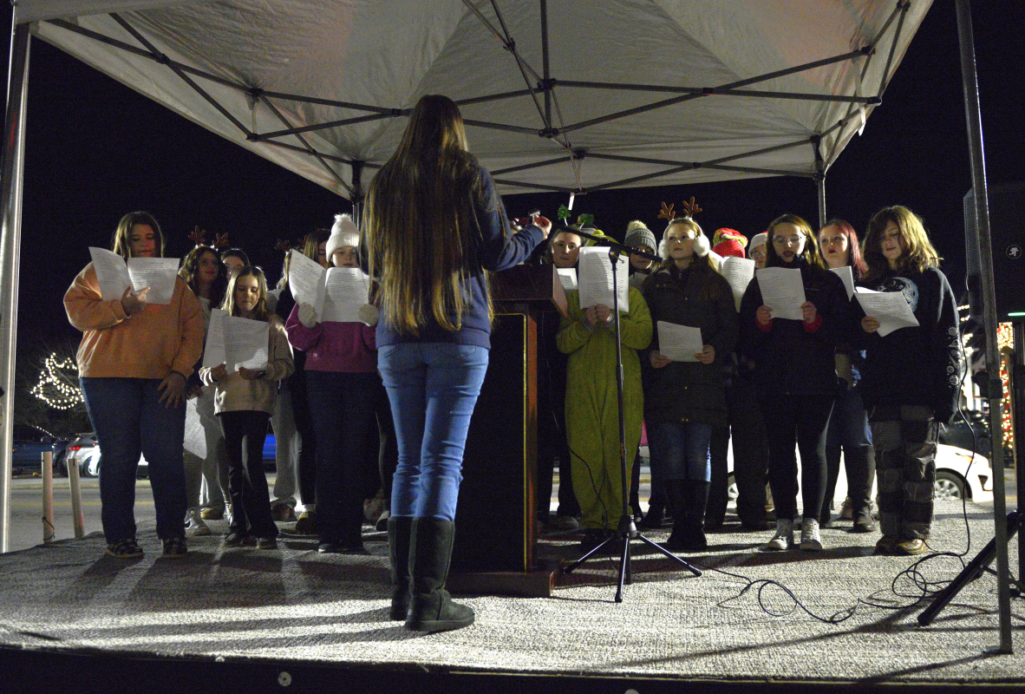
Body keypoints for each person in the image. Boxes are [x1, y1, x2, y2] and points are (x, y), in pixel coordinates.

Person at [363, 94, 548, 633]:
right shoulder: (468, 174)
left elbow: (372, 259)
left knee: (407, 462)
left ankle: (402, 592)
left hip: (397, 332)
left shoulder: (384, 182)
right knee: (442, 462)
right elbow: (497, 254)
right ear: (455, 129)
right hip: (457, 328)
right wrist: (533, 234)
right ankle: (430, 599)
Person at [64, 211, 204, 558]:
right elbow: (76, 310)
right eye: (136, 238)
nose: (144, 244)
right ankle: (120, 537)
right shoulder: (99, 272)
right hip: (106, 376)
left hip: (162, 380)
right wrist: (122, 306)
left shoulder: (176, 283)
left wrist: (180, 372)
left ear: (159, 240)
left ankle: (173, 535)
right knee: (119, 457)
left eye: (150, 237)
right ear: (123, 242)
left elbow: (193, 331)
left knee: (166, 456)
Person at [855, 205, 962, 556]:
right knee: (887, 464)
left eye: (895, 234)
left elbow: (948, 337)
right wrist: (863, 326)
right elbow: (852, 338)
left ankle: (914, 531)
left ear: (910, 235)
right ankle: (889, 531)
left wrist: (948, 394)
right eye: (882, 236)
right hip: (882, 387)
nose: (888, 242)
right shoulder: (869, 283)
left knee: (918, 465)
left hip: (921, 387)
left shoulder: (932, 279)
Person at [739, 214, 849, 551]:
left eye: (794, 238)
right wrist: (760, 323)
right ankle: (784, 524)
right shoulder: (759, 283)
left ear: (806, 240)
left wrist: (816, 322)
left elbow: (844, 332)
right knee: (780, 453)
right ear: (770, 243)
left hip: (816, 379)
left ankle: (812, 523)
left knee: (813, 451)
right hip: (773, 380)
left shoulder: (826, 281)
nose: (787, 245)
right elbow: (744, 340)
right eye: (779, 239)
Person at [287, 214, 382, 553]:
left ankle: (351, 534)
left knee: (353, 453)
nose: (347, 258)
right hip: (323, 377)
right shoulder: (317, 284)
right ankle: (328, 534)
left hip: (360, 376)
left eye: (353, 252)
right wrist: (308, 323)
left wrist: (373, 324)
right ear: (330, 255)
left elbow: (379, 344)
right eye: (341, 252)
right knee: (327, 453)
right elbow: (298, 339)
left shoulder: (372, 285)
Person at [643, 215, 737, 551]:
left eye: (684, 236)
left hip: (702, 380)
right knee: (671, 453)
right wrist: (650, 354)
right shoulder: (653, 284)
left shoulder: (715, 282)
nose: (677, 243)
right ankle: (678, 525)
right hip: (667, 380)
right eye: (671, 238)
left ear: (698, 242)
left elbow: (730, 327)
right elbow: (644, 328)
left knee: (698, 453)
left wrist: (716, 349)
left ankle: (694, 525)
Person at [558, 219, 652, 553]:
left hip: (622, 387)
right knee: (586, 454)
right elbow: (562, 343)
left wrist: (613, 322)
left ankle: (618, 520)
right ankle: (594, 523)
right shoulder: (572, 299)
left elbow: (643, 338)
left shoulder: (633, 297)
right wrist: (585, 324)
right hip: (582, 389)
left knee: (618, 454)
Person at [200, 267, 294, 549]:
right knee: (234, 468)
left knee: (250, 462)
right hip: (227, 403)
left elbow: (287, 365)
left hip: (257, 401)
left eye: (254, 290)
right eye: (242, 289)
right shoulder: (222, 322)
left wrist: (263, 371)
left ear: (261, 292)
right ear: (233, 291)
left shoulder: (272, 323)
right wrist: (212, 374)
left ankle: (264, 528)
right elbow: (205, 370)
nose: (248, 295)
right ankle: (239, 527)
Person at [817, 219, 877, 533]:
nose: (830, 245)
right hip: (822, 367)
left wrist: (865, 324)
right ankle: (821, 508)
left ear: (850, 243)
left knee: (857, 438)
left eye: (837, 239)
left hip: (856, 366)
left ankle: (861, 508)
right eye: (824, 240)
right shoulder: (814, 281)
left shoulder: (866, 279)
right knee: (826, 441)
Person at [268, 228, 330, 532]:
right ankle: (310, 506)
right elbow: (283, 323)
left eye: (329, 252)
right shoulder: (294, 289)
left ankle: (339, 502)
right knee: (308, 438)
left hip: (344, 368)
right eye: (319, 253)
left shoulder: (350, 280)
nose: (326, 258)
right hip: (305, 373)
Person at [177, 244, 230, 537]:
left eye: (214, 262)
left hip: (223, 384)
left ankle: (234, 508)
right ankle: (192, 513)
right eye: (204, 262)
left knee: (226, 452)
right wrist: (186, 378)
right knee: (194, 451)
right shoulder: (182, 298)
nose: (210, 267)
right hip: (195, 386)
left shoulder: (224, 300)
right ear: (193, 266)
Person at [536, 228, 584, 531]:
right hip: (542, 369)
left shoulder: (589, 281)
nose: (565, 251)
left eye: (572, 246)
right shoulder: (538, 277)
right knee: (541, 443)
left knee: (571, 443)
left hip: (576, 368)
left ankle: (569, 509)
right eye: (559, 245)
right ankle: (539, 511)